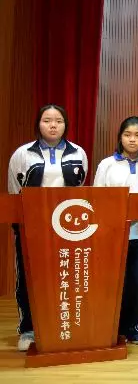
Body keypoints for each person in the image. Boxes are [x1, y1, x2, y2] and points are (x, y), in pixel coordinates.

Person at [7, 104, 89, 351]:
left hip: (67, 226)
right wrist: (21, 224)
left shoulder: (78, 152)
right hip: (32, 226)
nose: (53, 125)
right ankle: (29, 329)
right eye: (47, 120)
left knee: (65, 276)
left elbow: (80, 188)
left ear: (65, 125)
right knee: (30, 278)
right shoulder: (23, 154)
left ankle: (62, 325)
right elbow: (14, 191)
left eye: (58, 121)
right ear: (38, 124)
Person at [93, 116, 138, 345]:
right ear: (120, 137)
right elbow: (97, 199)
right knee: (114, 283)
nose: (132, 140)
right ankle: (112, 327)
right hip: (112, 235)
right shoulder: (107, 165)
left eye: (137, 135)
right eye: (127, 135)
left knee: (137, 283)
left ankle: (132, 326)